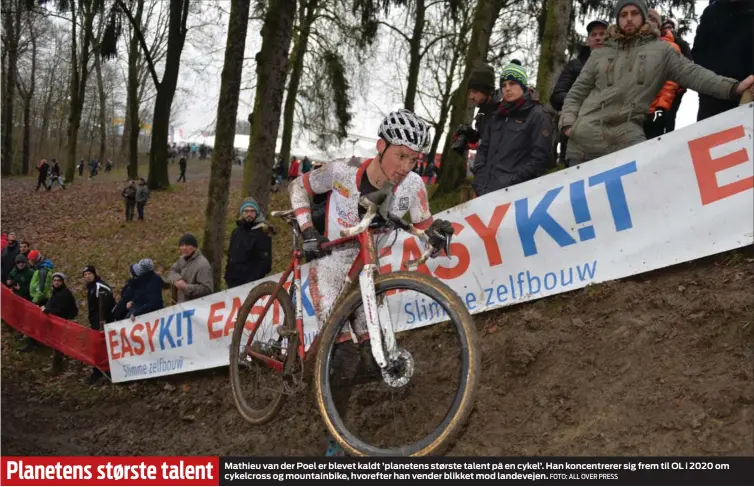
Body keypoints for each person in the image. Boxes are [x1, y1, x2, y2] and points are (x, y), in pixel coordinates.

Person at [288, 109, 455, 456]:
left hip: (367, 270)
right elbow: (298, 187)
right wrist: (307, 230)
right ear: (380, 146)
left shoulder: (413, 187)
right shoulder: (342, 171)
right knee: (345, 355)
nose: (406, 166)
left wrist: (437, 236)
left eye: (414, 159)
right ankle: (333, 439)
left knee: (369, 354)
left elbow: (423, 225)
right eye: (400, 155)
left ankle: (335, 402)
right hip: (331, 266)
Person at [559, 0, 754, 165]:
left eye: (634, 13)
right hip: (584, 139)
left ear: (643, 17)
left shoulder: (662, 51)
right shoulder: (600, 53)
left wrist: (734, 87)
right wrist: (568, 124)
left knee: (643, 194)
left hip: (627, 135)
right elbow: (577, 92)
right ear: (617, 19)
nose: (628, 18)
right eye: (623, 14)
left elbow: (695, 75)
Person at [472, 62, 554, 197]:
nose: (507, 89)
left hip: (517, 195)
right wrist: (479, 181)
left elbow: (540, 159)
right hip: (485, 193)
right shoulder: (496, 115)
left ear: (522, 85)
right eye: (503, 85)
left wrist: (512, 184)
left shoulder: (538, 115)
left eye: (512, 83)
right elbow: (483, 149)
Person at [550, 19, 608, 165]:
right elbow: (556, 97)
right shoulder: (575, 65)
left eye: (602, 34)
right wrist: (583, 101)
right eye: (593, 35)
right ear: (588, 40)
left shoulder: (621, 64)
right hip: (577, 140)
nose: (598, 37)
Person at [692, 0, 754, 121]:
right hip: (713, 95)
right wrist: (709, 81)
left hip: (748, 93)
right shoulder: (710, 13)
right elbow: (698, 51)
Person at [644, 9, 683, 140]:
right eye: (647, 18)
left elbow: (670, 82)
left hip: (654, 111)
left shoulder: (670, 47)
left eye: (654, 19)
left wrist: (661, 108)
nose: (650, 22)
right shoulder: (630, 46)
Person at [452, 64, 500, 156]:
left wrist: (477, 142)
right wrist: (472, 137)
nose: (471, 97)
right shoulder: (482, 113)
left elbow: (498, 145)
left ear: (486, 90)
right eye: (469, 92)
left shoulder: (501, 111)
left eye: (474, 92)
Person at [225, 198, 273, 289]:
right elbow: (230, 256)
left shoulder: (262, 232)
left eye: (252, 211)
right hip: (232, 284)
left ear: (256, 212)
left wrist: (251, 282)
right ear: (242, 213)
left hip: (251, 285)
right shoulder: (236, 232)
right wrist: (227, 276)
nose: (249, 214)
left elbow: (265, 264)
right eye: (246, 211)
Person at [659, 17, 693, 132]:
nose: (669, 30)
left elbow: (688, 62)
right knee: (658, 116)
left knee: (670, 115)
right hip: (660, 87)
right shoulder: (658, 44)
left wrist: (683, 84)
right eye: (666, 28)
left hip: (677, 87)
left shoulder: (681, 44)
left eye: (670, 27)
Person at [83, 265, 115, 384]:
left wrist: (104, 321)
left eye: (89, 274)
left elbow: (107, 304)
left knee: (102, 347)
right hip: (95, 322)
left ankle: (104, 372)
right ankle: (99, 371)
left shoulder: (100, 286)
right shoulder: (91, 287)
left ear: (94, 274)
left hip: (103, 322)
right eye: (85, 275)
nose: (87, 276)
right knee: (97, 347)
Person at [42, 272, 79, 374]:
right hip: (56, 322)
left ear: (62, 282)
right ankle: (57, 367)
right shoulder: (55, 292)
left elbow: (61, 310)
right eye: (54, 280)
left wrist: (49, 310)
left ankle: (57, 369)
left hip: (63, 322)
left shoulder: (64, 294)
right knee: (56, 346)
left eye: (59, 281)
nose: (56, 283)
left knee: (59, 346)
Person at [163, 233, 213, 303]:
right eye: (182, 245)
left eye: (187, 245)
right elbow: (171, 272)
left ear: (195, 247)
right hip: (182, 305)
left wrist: (185, 287)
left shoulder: (202, 264)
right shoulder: (182, 259)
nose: (184, 248)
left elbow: (207, 289)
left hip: (197, 307)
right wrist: (178, 279)